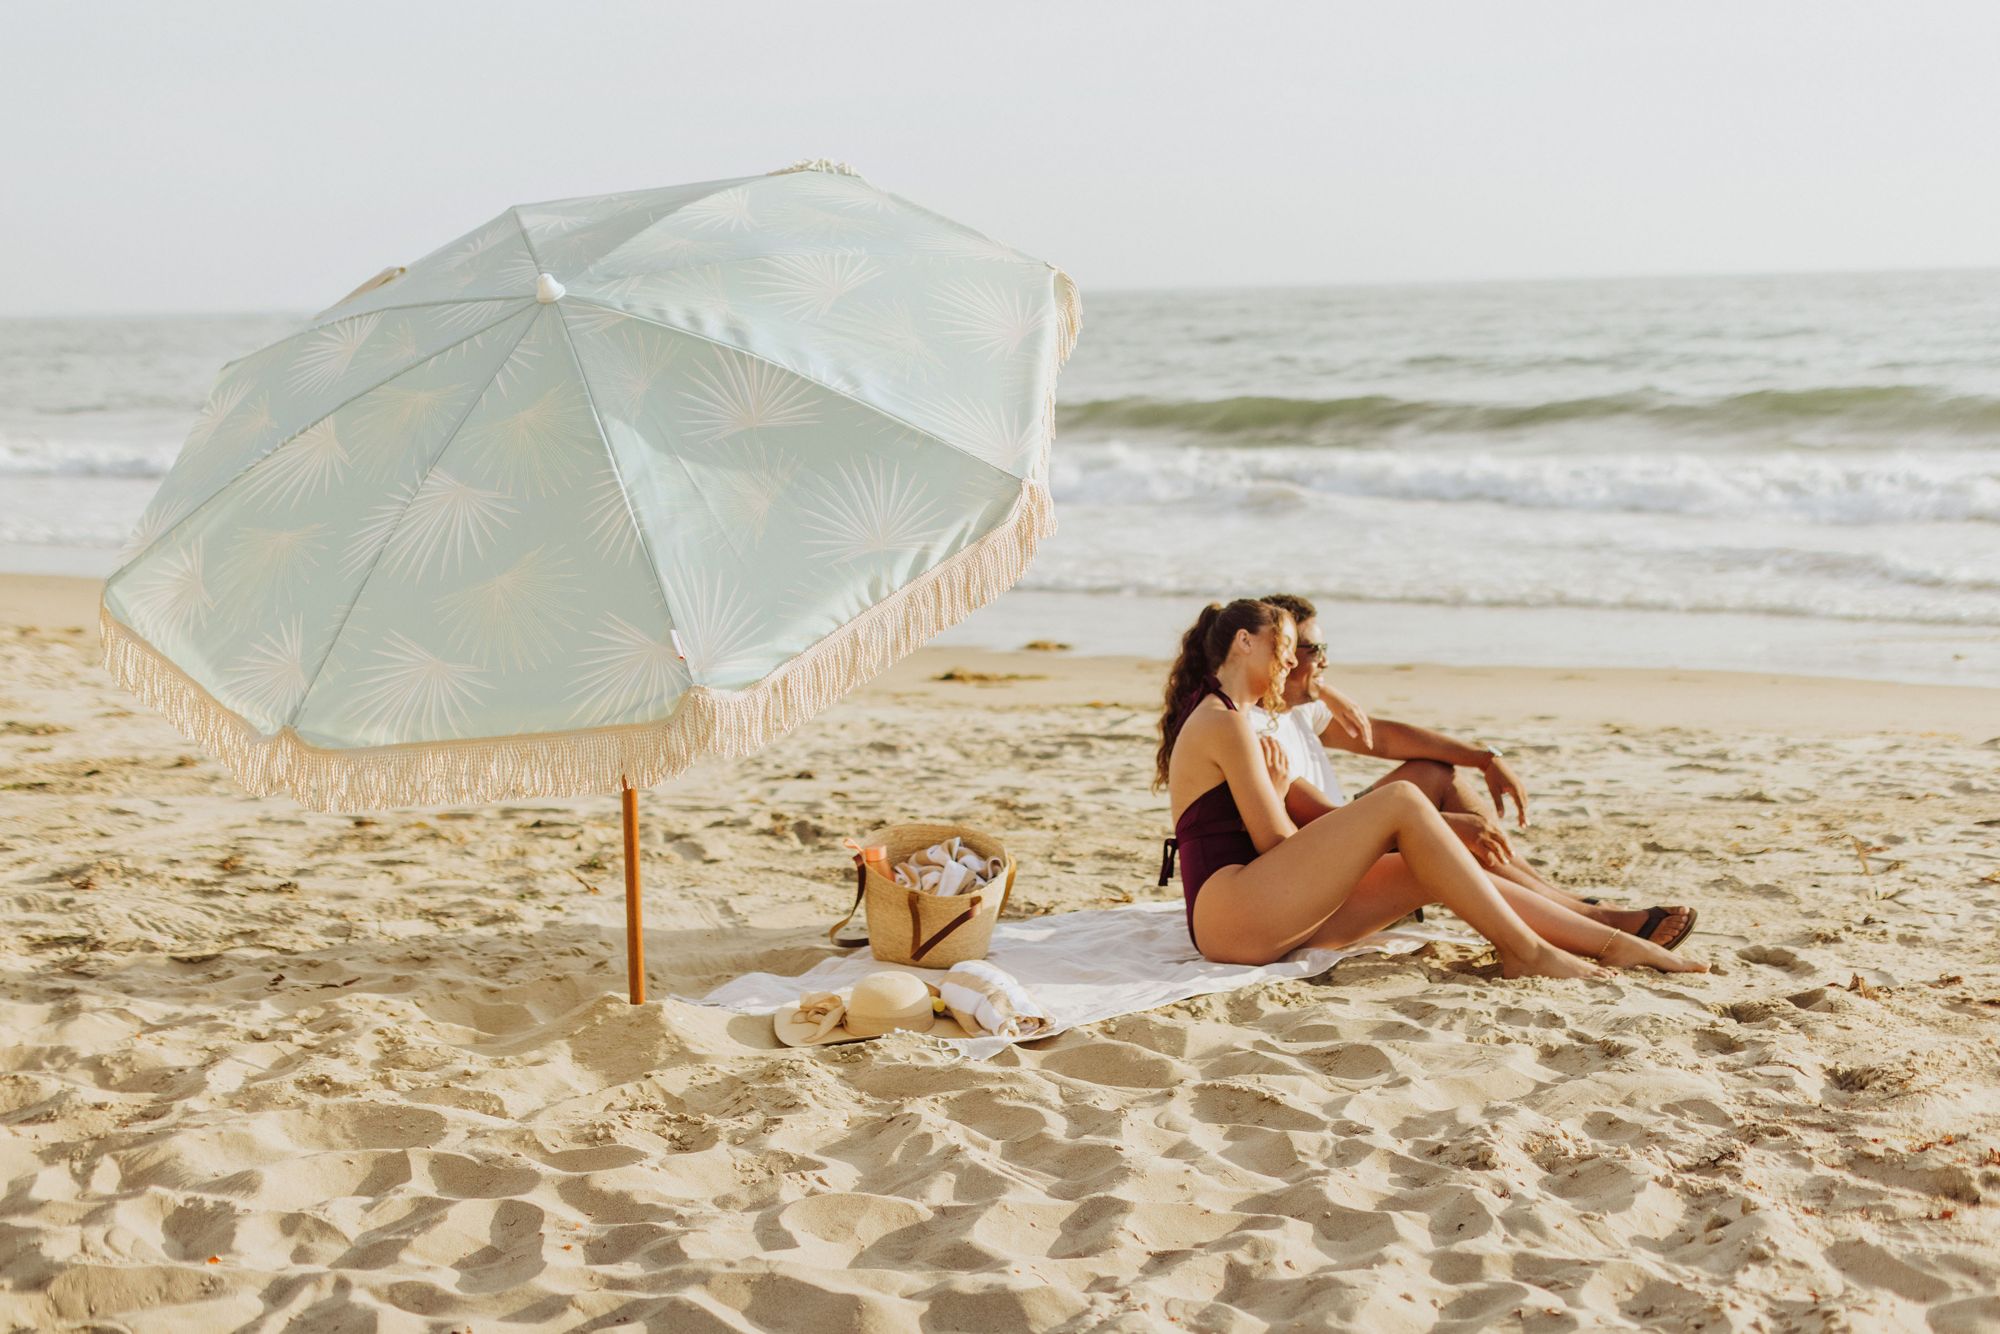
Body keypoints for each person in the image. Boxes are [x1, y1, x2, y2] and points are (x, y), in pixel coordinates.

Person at [1158, 598, 1706, 977]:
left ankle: (1616, 944)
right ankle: (1529, 952)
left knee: (1434, 867)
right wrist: (1277, 790)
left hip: (1256, 913)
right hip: (1233, 917)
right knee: (1400, 801)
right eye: (1282, 654)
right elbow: (1275, 845)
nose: (1288, 667)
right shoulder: (1224, 722)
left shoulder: (1234, 715)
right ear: (1244, 643)